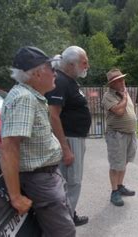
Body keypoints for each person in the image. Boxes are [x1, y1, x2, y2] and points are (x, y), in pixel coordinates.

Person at [0, 46, 76, 236]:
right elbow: (9, 148)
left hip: (46, 177)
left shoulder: (31, 97)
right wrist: (16, 197)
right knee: (64, 233)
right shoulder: (24, 99)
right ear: (36, 73)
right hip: (40, 180)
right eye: (51, 68)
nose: (55, 74)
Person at [44, 46, 90, 226]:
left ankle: (69, 213)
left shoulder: (69, 80)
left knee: (71, 181)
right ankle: (65, 221)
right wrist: (65, 148)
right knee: (73, 182)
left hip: (75, 138)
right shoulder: (61, 81)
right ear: (71, 64)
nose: (87, 65)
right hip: (70, 139)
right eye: (84, 62)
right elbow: (53, 115)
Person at [101, 68, 137, 207]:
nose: (122, 82)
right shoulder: (108, 96)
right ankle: (114, 191)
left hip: (129, 134)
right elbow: (120, 111)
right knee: (116, 164)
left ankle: (120, 185)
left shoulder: (123, 94)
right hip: (116, 135)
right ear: (111, 84)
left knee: (125, 161)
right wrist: (125, 97)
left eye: (122, 79)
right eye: (118, 80)